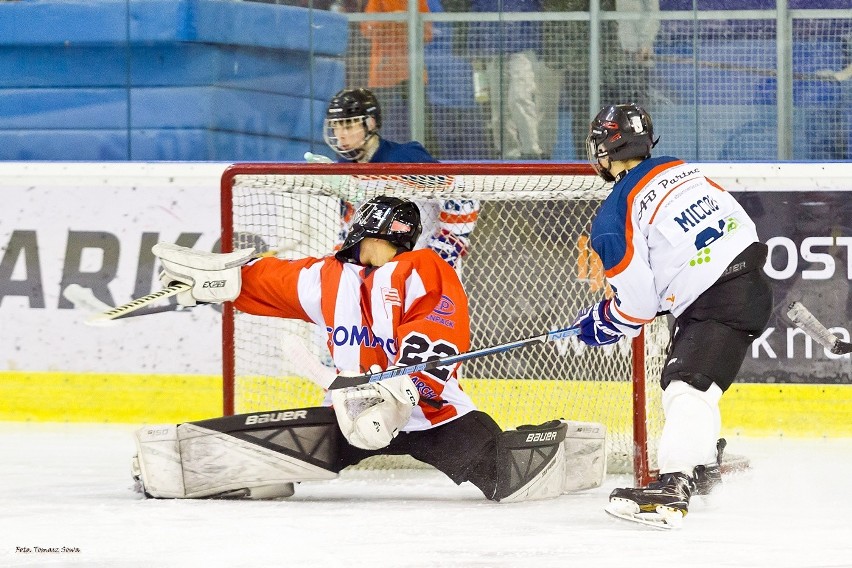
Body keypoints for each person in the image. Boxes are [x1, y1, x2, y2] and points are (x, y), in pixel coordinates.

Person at [131, 196, 607, 502]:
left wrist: (403, 390)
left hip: (432, 415)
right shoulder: (328, 277)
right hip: (349, 410)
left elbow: (438, 329)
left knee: (507, 478)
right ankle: (176, 460)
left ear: (372, 227)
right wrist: (219, 282)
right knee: (277, 453)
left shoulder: (423, 267)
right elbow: (273, 282)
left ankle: (567, 441)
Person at [574, 103, 772, 527]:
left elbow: (639, 307)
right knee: (693, 389)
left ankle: (672, 485)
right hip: (747, 285)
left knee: (687, 390)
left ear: (605, 150)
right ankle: (704, 467)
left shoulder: (613, 216)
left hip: (718, 299)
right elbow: (742, 224)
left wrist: (604, 321)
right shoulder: (682, 170)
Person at [317, 87, 479, 271]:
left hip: (424, 270)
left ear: (370, 124)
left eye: (348, 125)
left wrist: (440, 254)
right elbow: (351, 225)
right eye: (336, 127)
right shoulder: (345, 168)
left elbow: (463, 196)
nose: (340, 135)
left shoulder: (406, 158)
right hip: (379, 276)